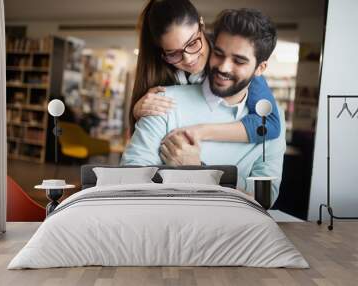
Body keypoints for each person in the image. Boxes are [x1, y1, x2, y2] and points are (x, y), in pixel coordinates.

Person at [121, 8, 286, 204]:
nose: (224, 67)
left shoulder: (268, 115)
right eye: (219, 54)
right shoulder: (164, 101)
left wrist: (200, 171)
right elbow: (129, 183)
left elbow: (265, 199)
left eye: (239, 61)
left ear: (260, 68)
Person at [130, 0, 280, 148]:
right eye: (173, 53)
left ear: (202, 25)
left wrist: (200, 131)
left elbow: (270, 124)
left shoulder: (231, 59)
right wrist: (137, 112)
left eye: (192, 43)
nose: (188, 59)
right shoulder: (159, 68)